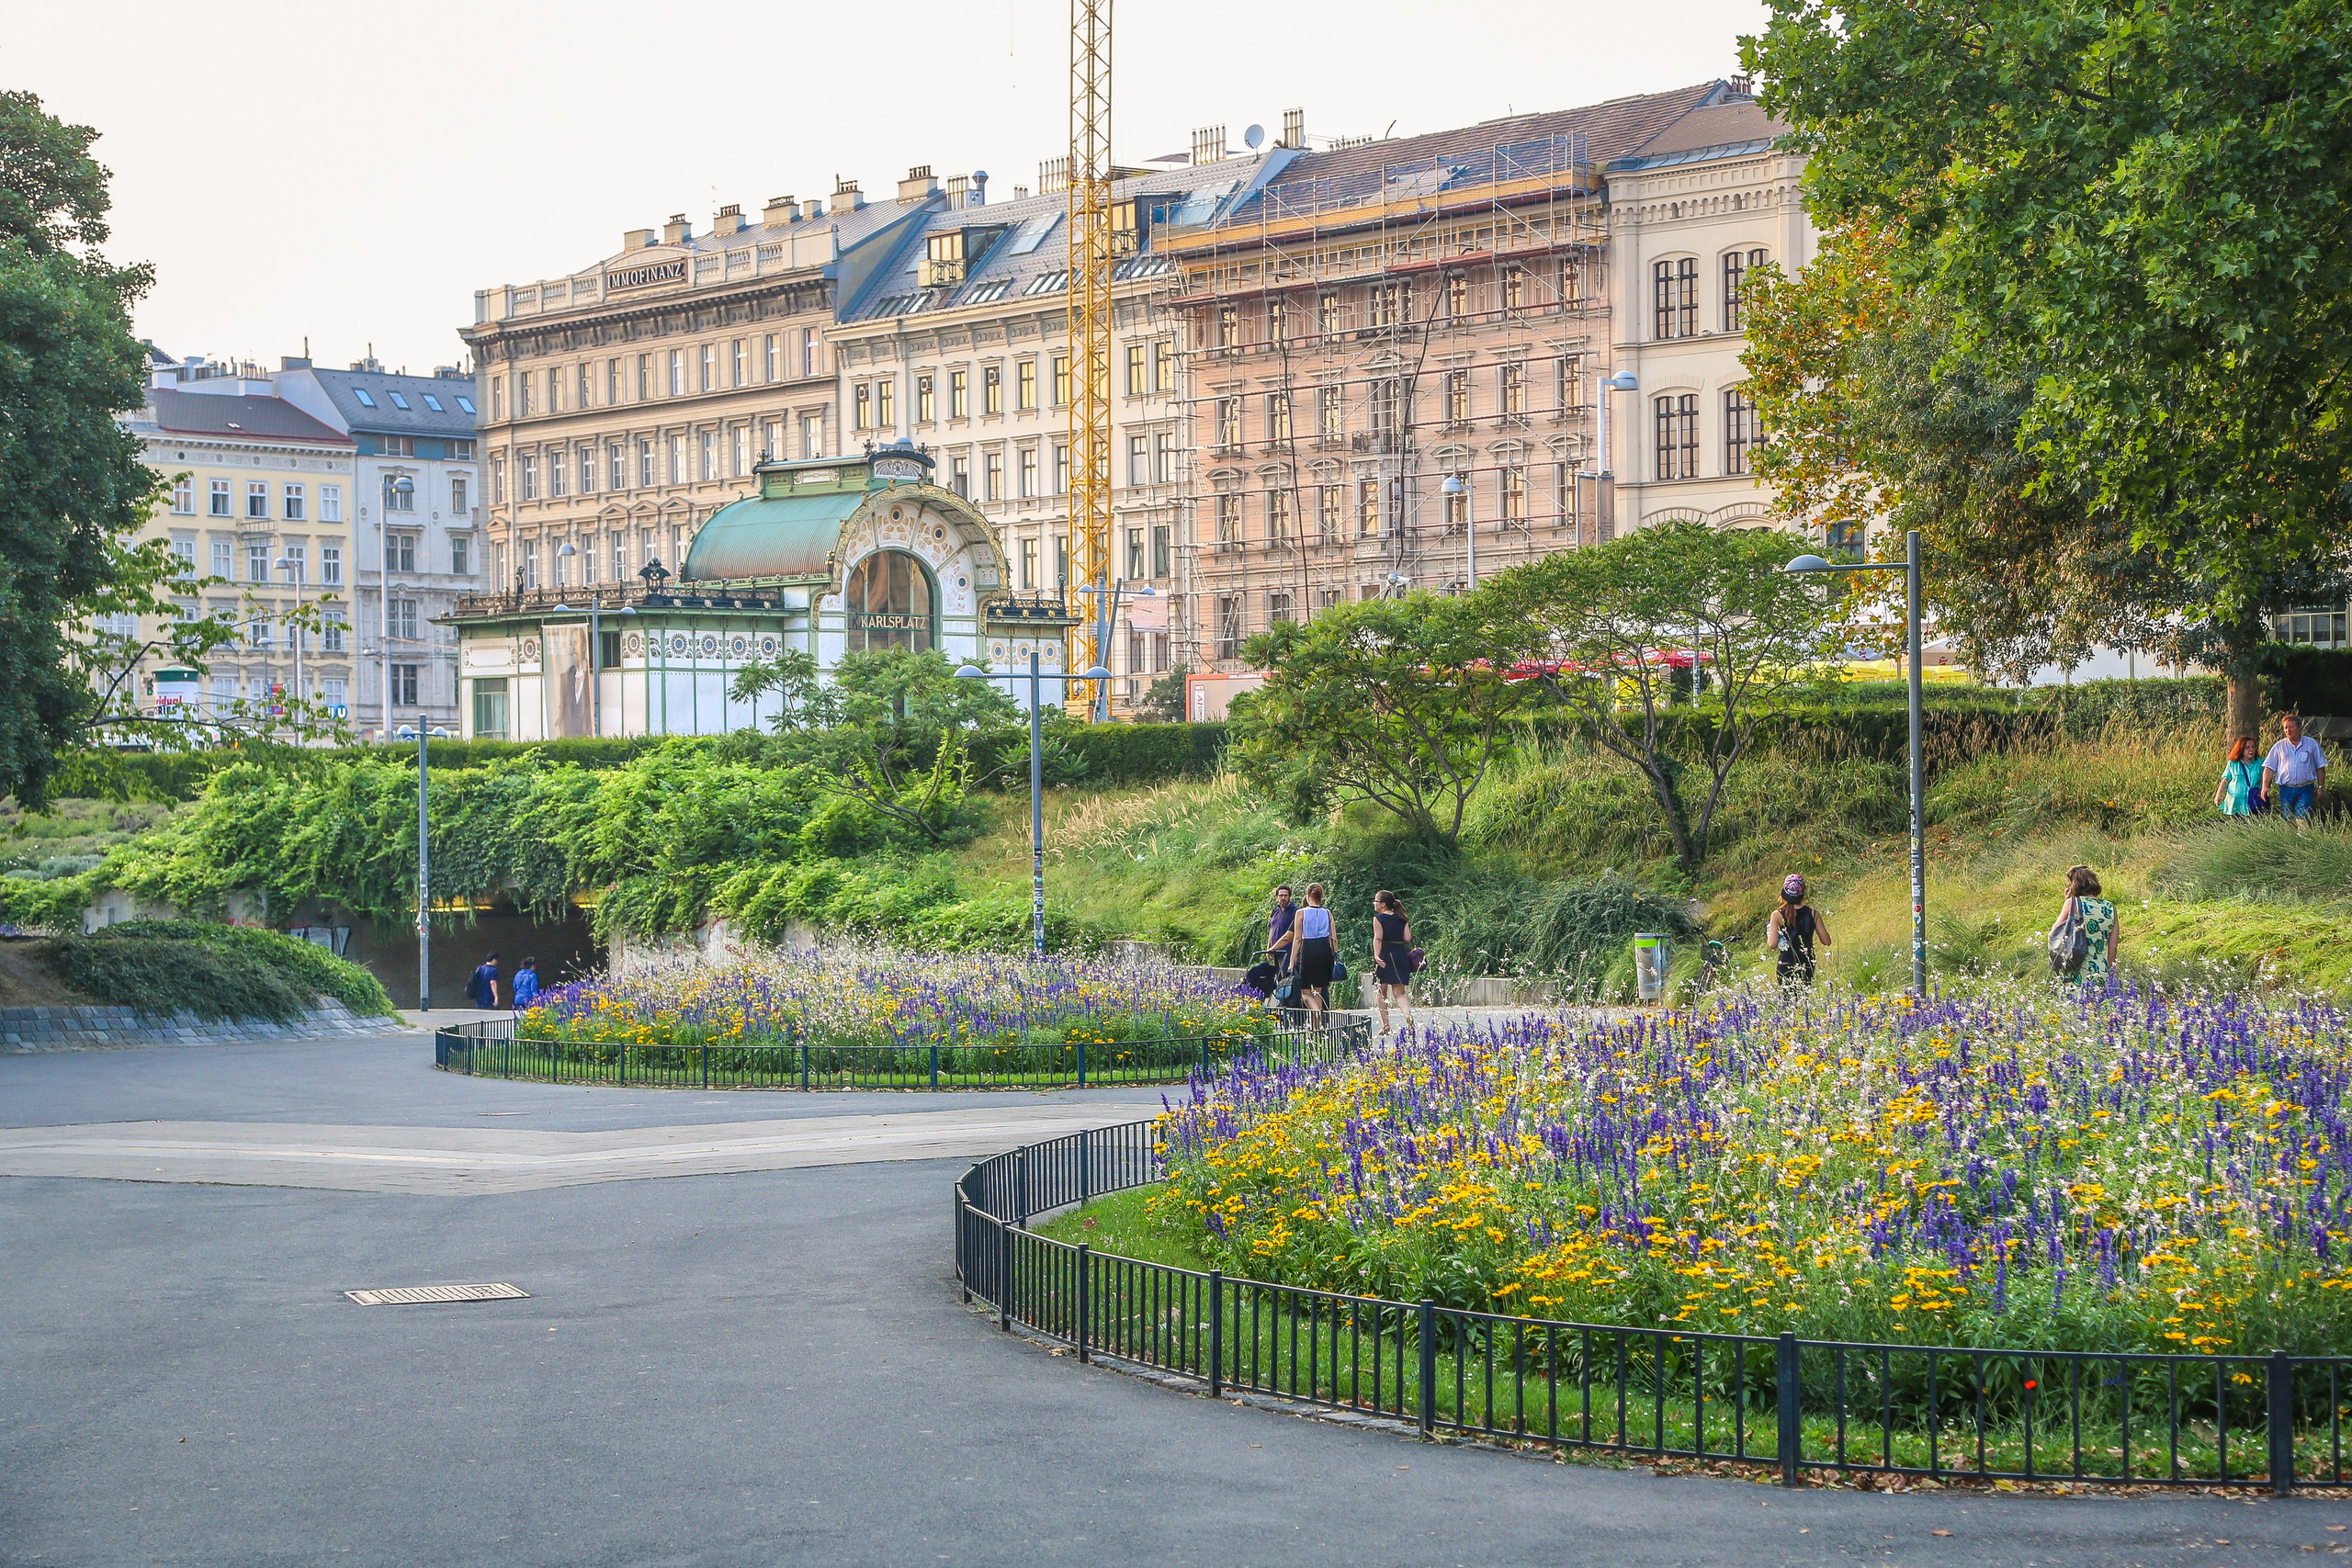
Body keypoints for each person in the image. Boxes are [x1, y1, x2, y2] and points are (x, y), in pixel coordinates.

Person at [2051, 864, 2118, 989]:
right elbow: (2113, 947)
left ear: (2073, 885)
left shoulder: (2072, 903)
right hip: (2101, 971)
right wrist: (2108, 974)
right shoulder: (2109, 907)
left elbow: (2055, 932)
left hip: (2077, 971)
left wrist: (2067, 901)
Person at [1282, 883, 1337, 1024]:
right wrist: (1334, 954)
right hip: (1325, 950)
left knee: (1305, 992)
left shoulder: (1301, 913)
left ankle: (1316, 1012)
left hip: (1308, 950)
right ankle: (1316, 1027)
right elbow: (1334, 938)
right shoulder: (1328, 913)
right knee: (1318, 991)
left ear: (1307, 895)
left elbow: (1298, 938)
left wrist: (1291, 960)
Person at [1761, 874, 1831, 986]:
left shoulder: (1777, 915)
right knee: (1804, 998)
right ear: (1803, 893)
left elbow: (1772, 944)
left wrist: (1770, 932)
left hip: (1786, 964)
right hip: (1807, 963)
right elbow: (1826, 941)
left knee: (1788, 999)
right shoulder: (1813, 913)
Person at [2262, 712, 2328, 823]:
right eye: (2286, 728)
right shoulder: (2279, 746)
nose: (2288, 730)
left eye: (2291, 727)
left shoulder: (2312, 744)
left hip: (2305, 788)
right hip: (2286, 789)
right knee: (2288, 818)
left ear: (2299, 727)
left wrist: (2320, 787)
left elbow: (2320, 767)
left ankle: (2303, 838)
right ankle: (2290, 839)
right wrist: (2265, 786)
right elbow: (2268, 768)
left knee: (2302, 818)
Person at [1369, 889, 1414, 1037]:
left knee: (1381, 991)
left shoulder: (1378, 918)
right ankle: (1407, 1015)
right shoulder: (1402, 917)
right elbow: (1407, 938)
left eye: (1376, 901)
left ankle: (1386, 1025)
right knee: (1399, 992)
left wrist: (1376, 955)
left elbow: (1378, 938)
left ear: (1383, 904)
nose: (1374, 903)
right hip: (1400, 954)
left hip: (1384, 954)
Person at [2213, 736, 2265, 818]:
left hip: (2253, 801)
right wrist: (2218, 796)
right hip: (2235, 803)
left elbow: (2265, 780)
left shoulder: (2261, 763)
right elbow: (2226, 780)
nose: (2251, 750)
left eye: (2253, 747)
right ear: (2241, 749)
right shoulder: (2233, 763)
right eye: (2248, 747)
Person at [1266, 886, 1297, 972]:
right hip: (1276, 952)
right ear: (1277, 897)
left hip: (1288, 952)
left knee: (1286, 977)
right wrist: (1269, 948)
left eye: (1286, 895)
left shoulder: (1295, 912)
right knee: (1278, 978)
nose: (1283, 898)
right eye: (1281, 895)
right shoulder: (1275, 911)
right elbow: (1272, 929)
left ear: (1289, 897)